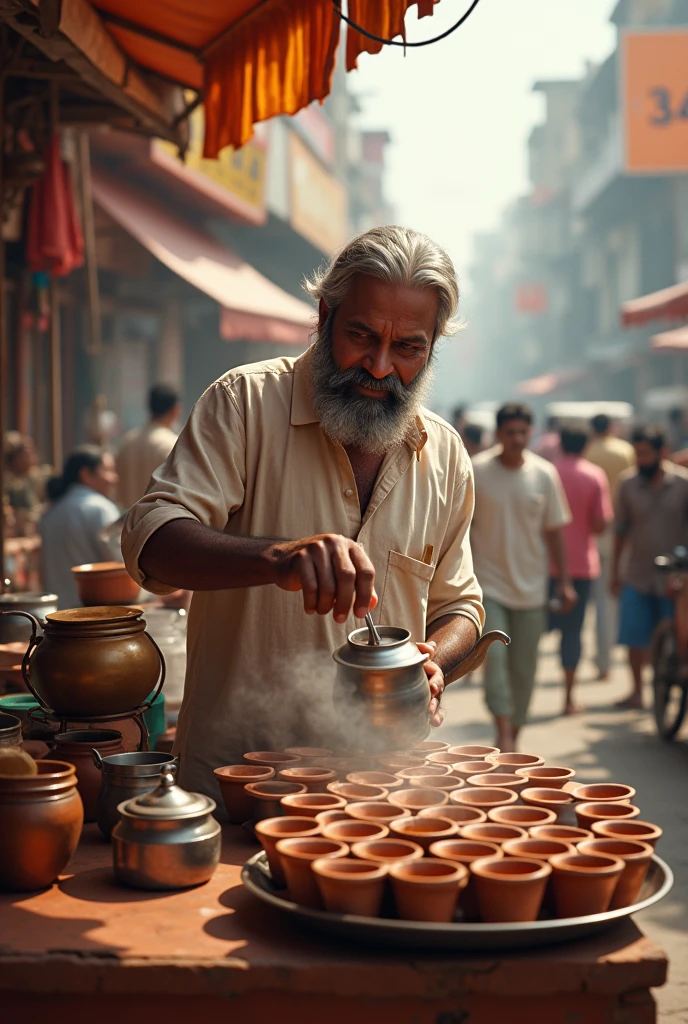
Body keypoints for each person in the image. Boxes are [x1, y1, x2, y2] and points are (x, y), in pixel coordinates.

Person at [122, 226, 485, 802]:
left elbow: (461, 606)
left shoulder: (443, 456)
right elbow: (152, 544)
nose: (381, 366)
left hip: (384, 788)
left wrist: (431, 664)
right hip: (239, 784)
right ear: (324, 316)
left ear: (433, 347)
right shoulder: (243, 405)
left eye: (408, 348)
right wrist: (276, 558)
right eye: (362, 336)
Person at [471, 403, 574, 751]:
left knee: (524, 669)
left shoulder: (544, 474)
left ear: (530, 433)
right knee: (494, 660)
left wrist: (564, 582)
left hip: (532, 588)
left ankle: (512, 736)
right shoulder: (476, 471)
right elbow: (460, 528)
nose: (516, 439)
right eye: (509, 432)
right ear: (498, 435)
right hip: (488, 586)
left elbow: (556, 533)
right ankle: (502, 727)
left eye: (522, 432)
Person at [612, 426, 688, 710]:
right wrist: (615, 573)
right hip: (638, 573)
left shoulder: (683, 484)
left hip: (677, 578)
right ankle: (636, 691)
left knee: (679, 639)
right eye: (637, 453)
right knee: (634, 636)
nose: (640, 459)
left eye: (645, 454)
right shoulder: (627, 484)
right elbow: (620, 530)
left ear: (662, 453)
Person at [550, 428, 613, 715]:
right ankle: (568, 697)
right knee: (573, 632)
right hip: (582, 567)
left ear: (561, 443)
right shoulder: (594, 476)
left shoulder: (549, 473)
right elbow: (601, 524)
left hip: (546, 566)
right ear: (586, 445)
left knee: (531, 630)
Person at [39, 446, 121, 608]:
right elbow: (122, 566)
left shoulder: (50, 513)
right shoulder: (100, 509)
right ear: (86, 475)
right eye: (108, 470)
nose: (114, 478)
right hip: (95, 617)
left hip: (57, 616)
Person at [586, 413, 635, 679]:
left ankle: (603, 660)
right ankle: (610, 660)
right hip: (620, 530)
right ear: (612, 427)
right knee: (611, 598)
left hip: (591, 532)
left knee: (597, 602)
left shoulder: (588, 451)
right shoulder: (625, 450)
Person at [116, 384, 181, 509]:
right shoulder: (172, 444)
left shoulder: (127, 442)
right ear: (176, 410)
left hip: (127, 523)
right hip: (158, 524)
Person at [3, 432, 46, 536]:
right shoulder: (8, 484)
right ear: (15, 457)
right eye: (28, 452)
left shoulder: (23, 483)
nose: (34, 458)